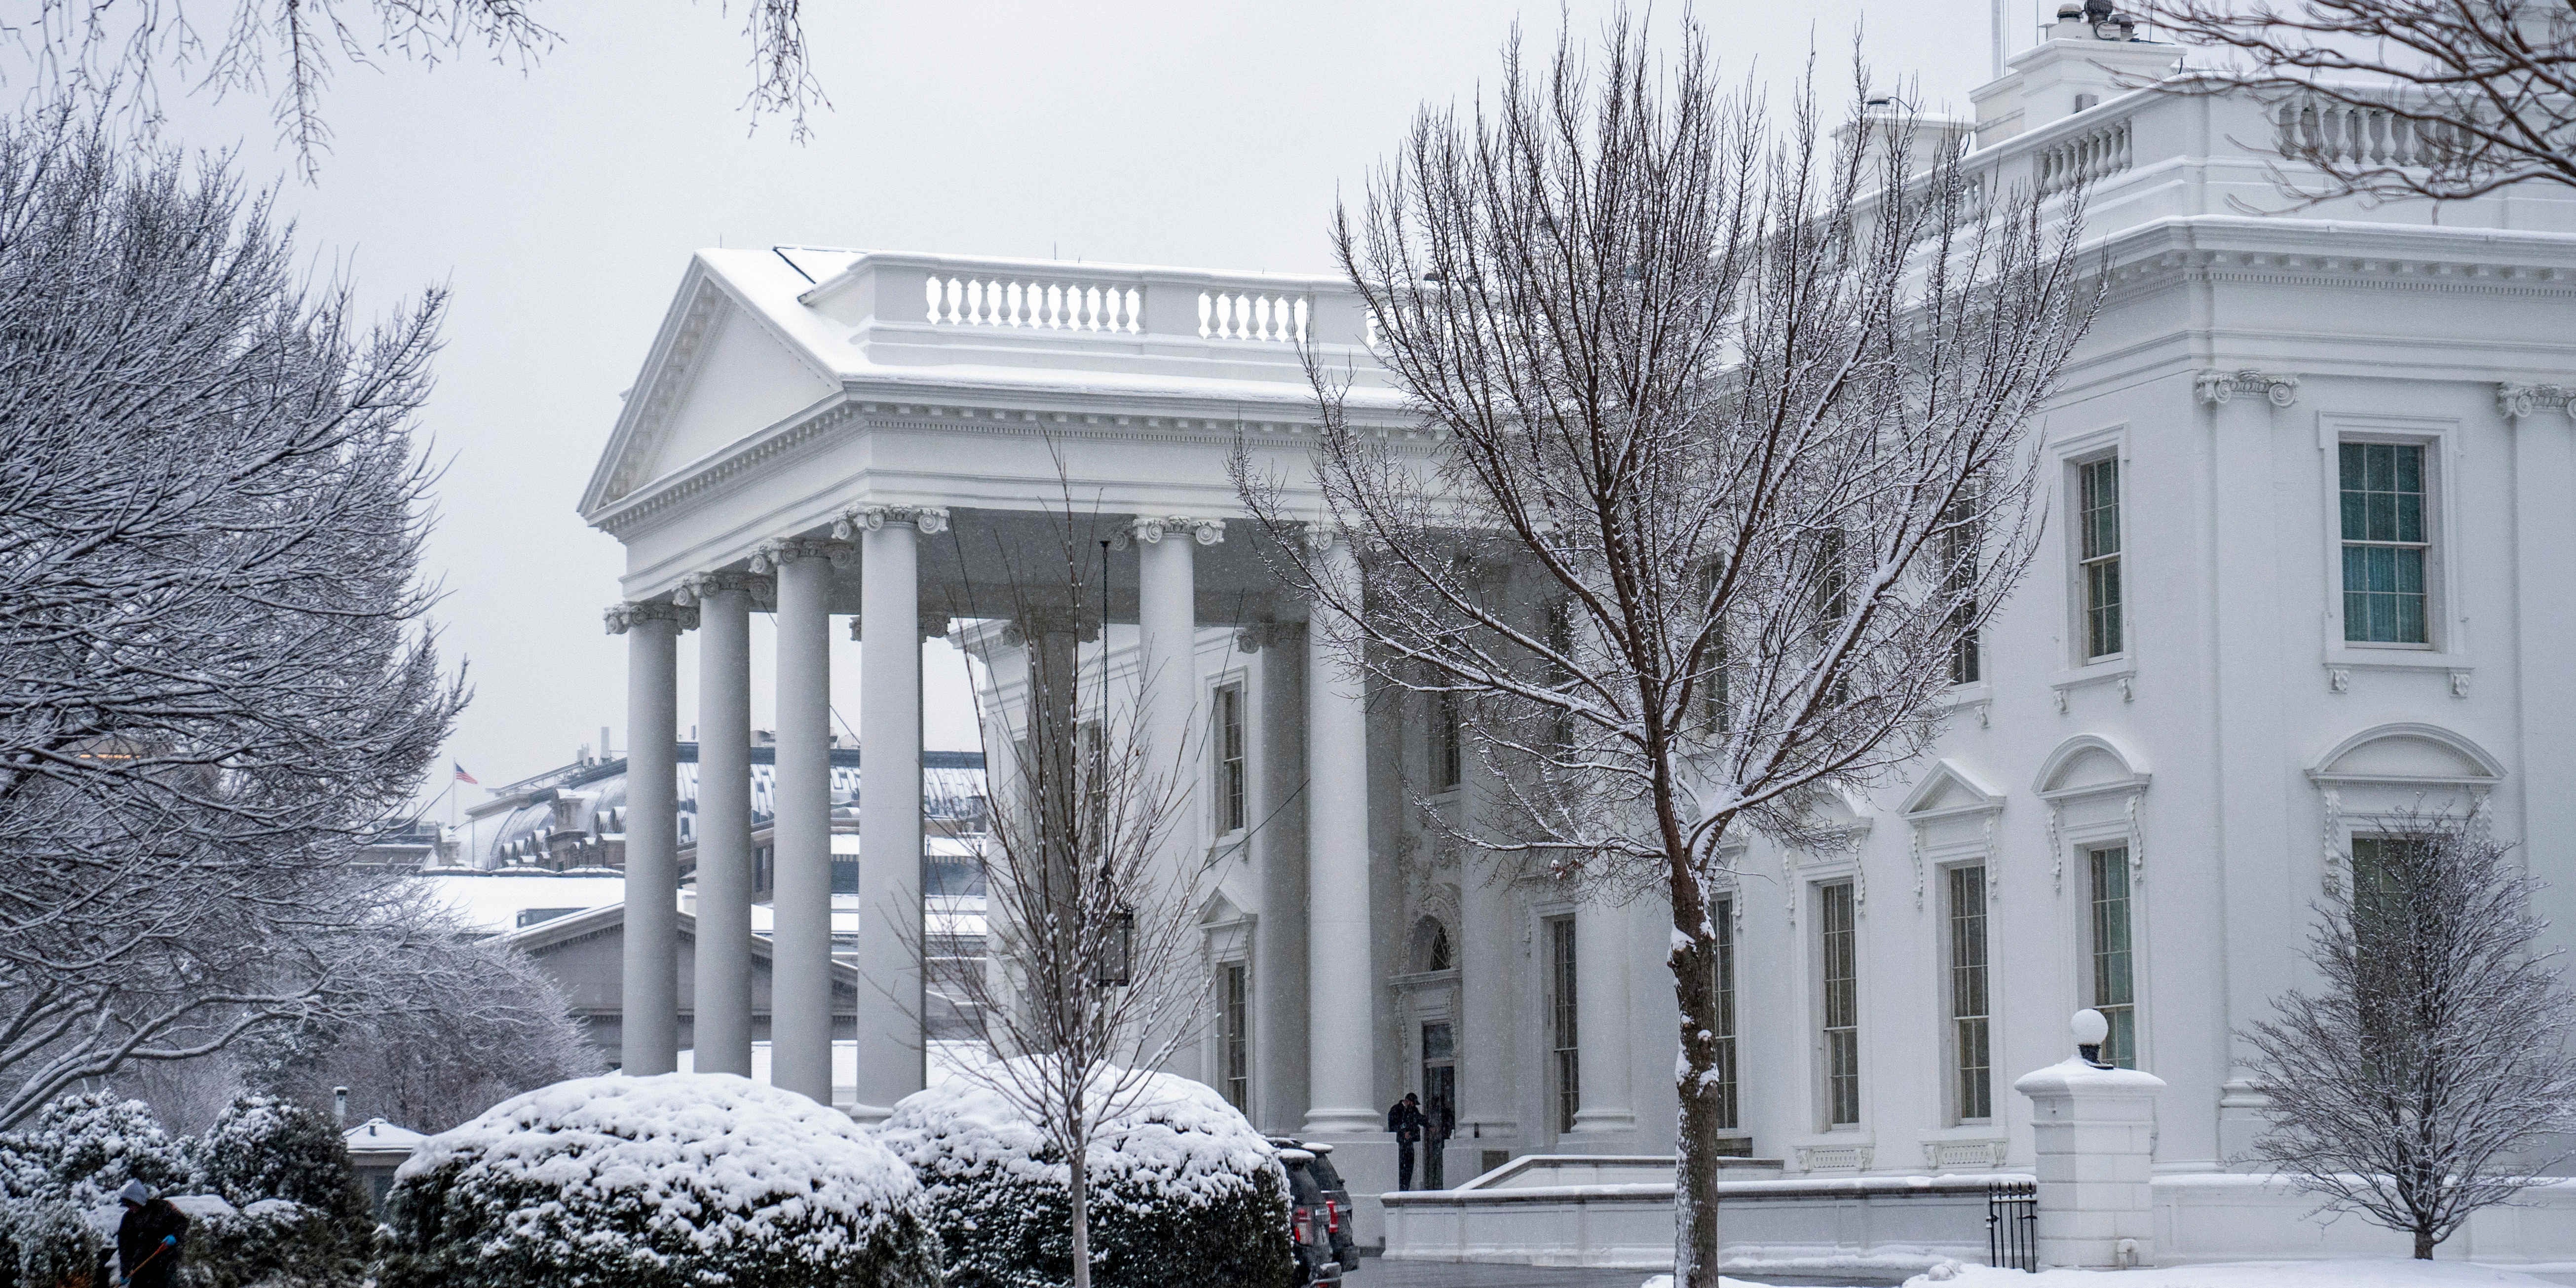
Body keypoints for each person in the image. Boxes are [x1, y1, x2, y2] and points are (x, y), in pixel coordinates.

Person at [115, 1179, 188, 1288]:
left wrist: (174, 1236)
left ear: (139, 1201)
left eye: (132, 1204)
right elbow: (125, 1247)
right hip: (141, 1264)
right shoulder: (128, 1219)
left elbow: (182, 1222)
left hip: (165, 1260)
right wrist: (125, 1271)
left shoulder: (162, 1208)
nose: (130, 1208)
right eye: (127, 1205)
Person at [1386, 1092, 1426, 1191]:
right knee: (1401, 1168)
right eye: (1412, 1103)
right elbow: (1393, 1127)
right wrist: (1402, 1134)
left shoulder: (1412, 1111)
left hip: (1409, 1144)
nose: (1413, 1106)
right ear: (1407, 1101)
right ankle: (1401, 1188)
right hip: (1400, 1145)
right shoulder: (1396, 1110)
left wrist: (1430, 1126)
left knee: (1409, 1167)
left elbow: (1420, 1119)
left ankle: (1405, 1188)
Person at [1424, 1093, 1455, 1189]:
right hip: (1436, 1140)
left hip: (1440, 1140)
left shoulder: (1443, 1113)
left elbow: (1448, 1125)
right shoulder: (1437, 1113)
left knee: (1438, 1162)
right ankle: (1435, 1183)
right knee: (1436, 1162)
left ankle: (1437, 1183)